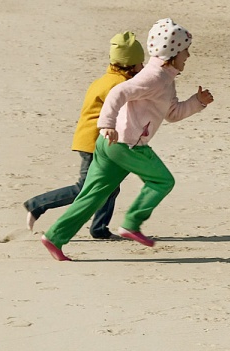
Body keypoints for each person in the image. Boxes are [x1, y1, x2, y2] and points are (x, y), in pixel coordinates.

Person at [40, 18, 214, 261]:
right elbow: (118, 92)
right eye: (185, 50)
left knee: (92, 195)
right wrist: (107, 124)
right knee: (162, 181)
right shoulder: (154, 77)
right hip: (126, 145)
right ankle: (131, 223)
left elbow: (172, 114)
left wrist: (198, 102)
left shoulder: (164, 77)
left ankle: (55, 236)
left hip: (109, 145)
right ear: (172, 52)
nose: (188, 55)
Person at [23, 31, 145, 239]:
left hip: (93, 141)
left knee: (110, 187)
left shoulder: (105, 80)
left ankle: (99, 229)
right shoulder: (118, 86)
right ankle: (37, 205)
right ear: (130, 65)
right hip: (94, 143)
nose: (142, 68)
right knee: (85, 189)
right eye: (140, 64)